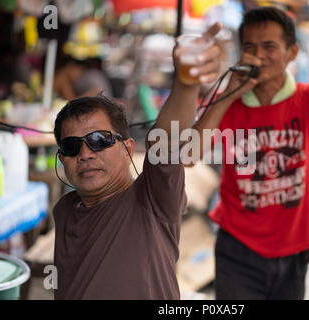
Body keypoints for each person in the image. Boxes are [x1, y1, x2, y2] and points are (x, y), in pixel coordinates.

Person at [191, 6, 309, 299]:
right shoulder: (228, 103)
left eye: (270, 46)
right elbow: (189, 154)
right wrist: (228, 93)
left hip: (293, 249)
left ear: (292, 52)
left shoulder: (306, 98)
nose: (259, 55)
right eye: (249, 47)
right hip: (236, 247)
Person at [52, 22, 222, 300]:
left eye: (99, 140)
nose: (85, 154)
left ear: (128, 148)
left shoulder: (152, 199)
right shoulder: (65, 209)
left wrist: (186, 83)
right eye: (72, 147)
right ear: (62, 158)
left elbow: (165, 144)